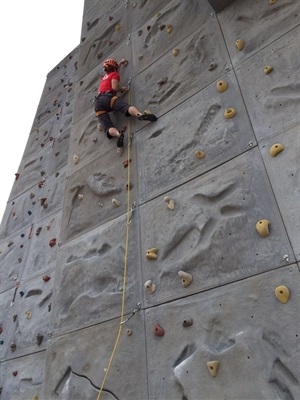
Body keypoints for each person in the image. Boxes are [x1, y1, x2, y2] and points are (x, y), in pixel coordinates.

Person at [94, 58, 157, 151]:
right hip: (108, 97)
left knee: (108, 127)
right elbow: (115, 87)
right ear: (114, 68)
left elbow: (113, 71)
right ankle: (140, 115)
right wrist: (122, 89)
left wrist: (120, 63)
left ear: (105, 69)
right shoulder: (114, 74)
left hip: (98, 104)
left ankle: (118, 134)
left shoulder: (104, 78)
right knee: (126, 107)